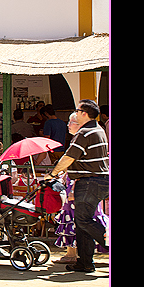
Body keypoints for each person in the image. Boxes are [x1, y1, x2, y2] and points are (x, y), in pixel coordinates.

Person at [46, 99, 109, 272]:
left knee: (83, 220)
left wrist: (51, 174)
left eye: (77, 110)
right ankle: (85, 262)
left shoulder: (85, 133)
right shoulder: (98, 129)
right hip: (96, 181)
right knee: (82, 222)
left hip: (90, 181)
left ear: (84, 113)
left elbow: (68, 157)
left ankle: (106, 243)